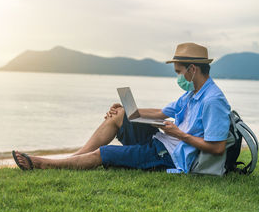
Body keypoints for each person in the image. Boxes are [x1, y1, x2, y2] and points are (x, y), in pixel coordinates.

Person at [12, 43, 231, 173]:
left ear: (192, 69)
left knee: (103, 154)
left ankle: (43, 164)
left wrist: (179, 134)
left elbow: (217, 148)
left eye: (178, 71)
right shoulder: (192, 94)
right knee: (118, 116)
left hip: (171, 156)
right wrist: (129, 111)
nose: (178, 76)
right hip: (165, 141)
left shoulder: (212, 101)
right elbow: (162, 113)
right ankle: (73, 156)